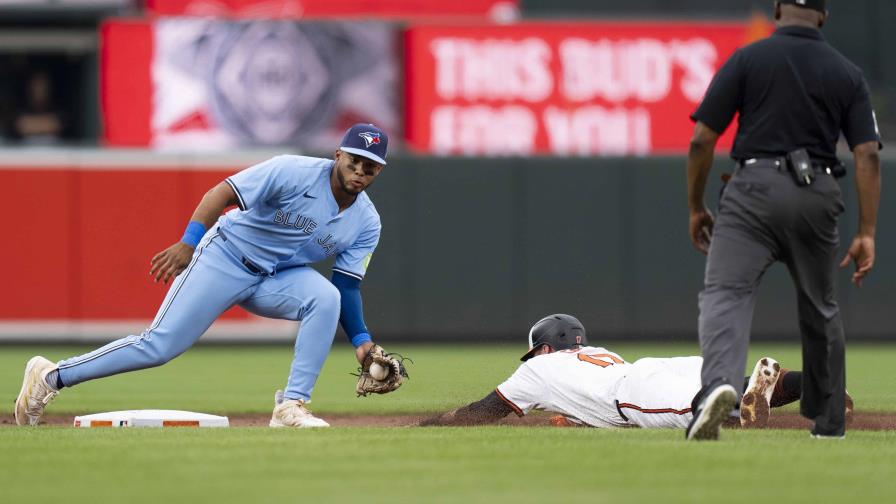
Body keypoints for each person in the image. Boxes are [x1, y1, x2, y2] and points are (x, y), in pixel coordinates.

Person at [15, 123, 403, 428]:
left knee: (326, 298)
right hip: (225, 255)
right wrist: (188, 242)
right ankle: (51, 377)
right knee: (158, 347)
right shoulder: (293, 170)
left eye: (368, 166)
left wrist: (362, 343)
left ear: (379, 170)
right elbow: (222, 193)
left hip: (274, 277)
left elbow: (347, 284)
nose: (358, 170)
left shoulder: (367, 222)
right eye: (353, 160)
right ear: (338, 155)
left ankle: (291, 405)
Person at [685, 0, 882, 440]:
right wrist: (867, 231)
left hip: (751, 188)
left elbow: (702, 140)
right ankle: (828, 419)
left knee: (727, 294)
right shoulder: (846, 72)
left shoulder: (748, 58)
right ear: (824, 16)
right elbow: (867, 153)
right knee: (820, 307)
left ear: (777, 11)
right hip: (817, 192)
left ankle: (718, 387)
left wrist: (697, 206)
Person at [419, 314, 848, 429]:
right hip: (655, 368)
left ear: (544, 348)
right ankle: (818, 385)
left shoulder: (538, 369)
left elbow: (482, 412)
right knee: (730, 384)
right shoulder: (596, 353)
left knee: (700, 411)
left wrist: (430, 422)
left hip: (631, 394)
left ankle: (738, 405)